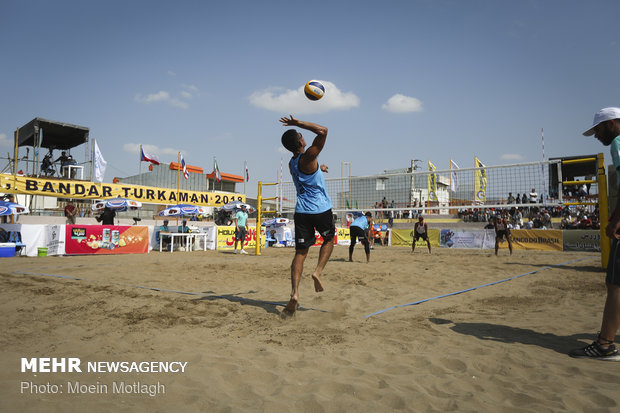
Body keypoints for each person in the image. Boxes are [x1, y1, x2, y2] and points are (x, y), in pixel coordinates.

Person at [570, 107, 620, 360]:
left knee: (615, 285)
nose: (597, 136)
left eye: (598, 130)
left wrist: (617, 220)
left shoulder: (619, 143)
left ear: (611, 124)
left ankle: (605, 345)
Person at [280, 115, 335, 314]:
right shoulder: (309, 156)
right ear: (301, 142)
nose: (304, 137)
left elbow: (308, 171)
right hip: (320, 209)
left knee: (300, 253)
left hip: (301, 212)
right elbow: (323, 131)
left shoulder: (292, 163)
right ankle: (318, 272)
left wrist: (320, 168)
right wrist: (298, 123)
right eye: (302, 136)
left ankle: (294, 293)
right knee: (329, 239)